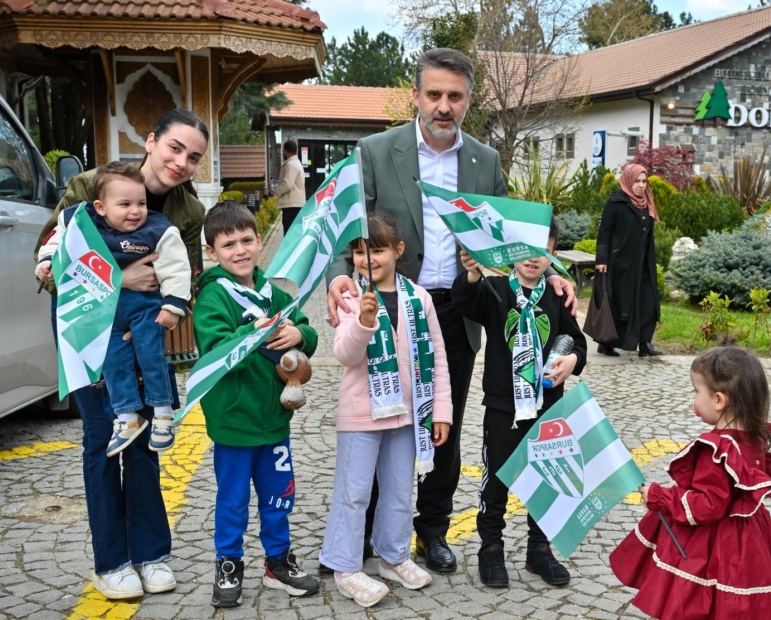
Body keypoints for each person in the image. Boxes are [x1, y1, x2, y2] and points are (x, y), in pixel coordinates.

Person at [326, 47, 576, 573]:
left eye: (455, 96)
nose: (444, 106)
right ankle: (368, 531)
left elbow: (510, 238)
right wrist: (338, 279)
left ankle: (431, 530)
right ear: (416, 95)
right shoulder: (375, 151)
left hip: (460, 311)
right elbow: (348, 224)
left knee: (445, 421)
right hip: (393, 308)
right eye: (434, 94)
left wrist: (551, 271)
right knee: (382, 419)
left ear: (468, 100)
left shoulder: (486, 160)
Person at [34, 109, 209, 600]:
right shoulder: (89, 185)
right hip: (88, 328)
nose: (181, 162)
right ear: (151, 141)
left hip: (145, 331)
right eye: (175, 147)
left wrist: (159, 312)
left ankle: (151, 554)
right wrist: (121, 278)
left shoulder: (188, 212)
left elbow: (185, 280)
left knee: (146, 438)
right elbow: (50, 260)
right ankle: (111, 562)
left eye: (194, 157)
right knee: (102, 439)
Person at [319, 213, 452, 607]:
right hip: (362, 413)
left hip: (407, 414)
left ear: (398, 250)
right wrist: (362, 321)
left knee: (398, 492)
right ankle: (344, 565)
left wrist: (441, 410)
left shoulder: (420, 298)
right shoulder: (349, 297)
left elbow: (437, 356)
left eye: (377, 250)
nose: (368, 259)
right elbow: (345, 354)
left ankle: (393, 556)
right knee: (354, 493)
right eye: (360, 252)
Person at [194, 202, 320, 608]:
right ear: (212, 252)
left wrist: (299, 336)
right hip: (234, 422)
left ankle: (278, 560)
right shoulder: (213, 297)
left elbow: (309, 332)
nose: (240, 250)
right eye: (228, 244)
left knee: (279, 495)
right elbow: (215, 350)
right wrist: (254, 331)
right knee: (232, 500)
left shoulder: (274, 293)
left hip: (275, 421)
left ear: (259, 240)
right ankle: (229, 562)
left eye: (246, 240)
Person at [609, 346, 771, 619]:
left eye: (696, 391)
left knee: (701, 597)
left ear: (719, 400)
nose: (694, 398)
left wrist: (659, 497)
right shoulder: (753, 436)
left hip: (714, 543)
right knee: (739, 599)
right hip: (748, 540)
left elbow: (706, 506)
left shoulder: (716, 449)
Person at [452, 217, 587, 589]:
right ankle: (491, 547)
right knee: (497, 478)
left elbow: (577, 341)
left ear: (553, 254)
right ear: (510, 250)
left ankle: (538, 548)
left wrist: (572, 360)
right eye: (524, 248)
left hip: (548, 406)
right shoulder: (495, 290)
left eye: (542, 250)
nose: (532, 257)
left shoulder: (556, 296)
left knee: (546, 479)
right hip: (503, 407)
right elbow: (464, 301)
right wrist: (472, 274)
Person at [36, 162, 190, 457]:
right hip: (103, 311)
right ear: (101, 207)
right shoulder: (80, 220)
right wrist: (46, 263)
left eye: (141, 203)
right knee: (113, 363)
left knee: (151, 356)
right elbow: (57, 241)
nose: (136, 211)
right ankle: (127, 416)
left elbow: (177, 268)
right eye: (125, 204)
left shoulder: (157, 229)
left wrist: (173, 305)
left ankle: (163, 412)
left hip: (144, 309)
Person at [594, 163, 661, 357]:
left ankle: (645, 342)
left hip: (644, 264)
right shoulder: (616, 203)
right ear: (628, 181)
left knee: (648, 302)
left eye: (644, 181)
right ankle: (606, 342)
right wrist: (602, 259)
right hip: (620, 264)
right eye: (637, 181)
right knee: (619, 304)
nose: (641, 185)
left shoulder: (646, 204)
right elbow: (604, 232)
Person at [274, 139, 306, 235]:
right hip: (296, 205)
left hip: (292, 205)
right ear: (296, 150)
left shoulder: (291, 164)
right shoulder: (296, 163)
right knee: (294, 234)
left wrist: (276, 191)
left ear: (285, 151)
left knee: (289, 234)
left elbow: (288, 184)